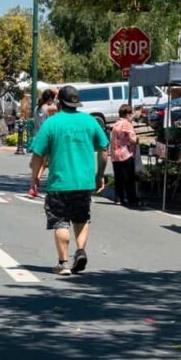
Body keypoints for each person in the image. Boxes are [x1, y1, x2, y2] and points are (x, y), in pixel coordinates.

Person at [28, 85, 109, 276]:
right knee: (81, 218)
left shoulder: (52, 123)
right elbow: (104, 150)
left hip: (60, 182)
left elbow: (37, 154)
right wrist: (100, 175)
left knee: (60, 222)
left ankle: (63, 263)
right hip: (84, 182)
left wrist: (34, 178)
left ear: (59, 102)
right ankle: (80, 251)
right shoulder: (90, 121)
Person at [28, 87, 59, 198]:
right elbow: (61, 107)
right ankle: (36, 182)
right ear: (49, 99)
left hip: (36, 138)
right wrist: (58, 93)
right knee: (44, 163)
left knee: (38, 163)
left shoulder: (37, 108)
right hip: (45, 138)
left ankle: (34, 185)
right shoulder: (49, 108)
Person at [109, 103, 140, 206]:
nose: (131, 116)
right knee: (129, 178)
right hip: (126, 154)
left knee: (119, 179)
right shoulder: (127, 124)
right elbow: (131, 138)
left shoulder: (115, 124)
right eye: (130, 114)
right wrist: (136, 140)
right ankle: (132, 199)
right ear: (127, 114)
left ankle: (118, 198)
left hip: (115, 154)